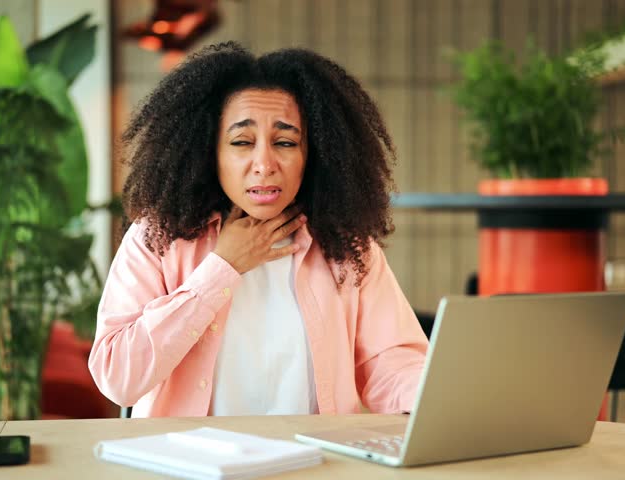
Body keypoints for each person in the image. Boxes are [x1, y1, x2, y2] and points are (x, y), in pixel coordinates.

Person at [88, 42, 428, 418]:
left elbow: (391, 365)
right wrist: (222, 268)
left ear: (313, 156)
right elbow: (117, 377)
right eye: (241, 142)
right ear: (208, 152)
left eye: (284, 142)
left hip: (315, 467)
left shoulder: (348, 248)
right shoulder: (158, 237)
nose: (264, 164)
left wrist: (441, 401)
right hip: (188, 467)